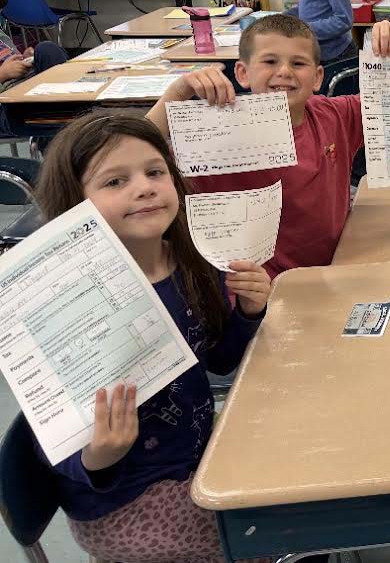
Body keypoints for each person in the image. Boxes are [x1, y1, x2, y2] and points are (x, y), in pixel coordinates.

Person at [33, 112, 272, 563]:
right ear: (74, 202)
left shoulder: (188, 261)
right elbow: (48, 431)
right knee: (272, 535)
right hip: (123, 503)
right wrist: (97, 456)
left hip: (201, 458)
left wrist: (247, 312)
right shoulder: (65, 300)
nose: (143, 187)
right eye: (114, 181)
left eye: (155, 172)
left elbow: (218, 362)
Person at [147, 14, 390, 277]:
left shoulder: (335, 115)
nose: (284, 71)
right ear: (243, 73)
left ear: (318, 78)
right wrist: (177, 93)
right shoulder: (218, 128)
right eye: (270, 61)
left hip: (335, 266)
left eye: (298, 63)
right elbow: (133, 151)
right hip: (261, 290)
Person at [0, 34, 68, 135]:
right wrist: (3, 74)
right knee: (71, 119)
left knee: (46, 49)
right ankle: (73, 113)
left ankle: (71, 106)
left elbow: (12, 57)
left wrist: (24, 58)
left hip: (28, 82)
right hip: (8, 104)